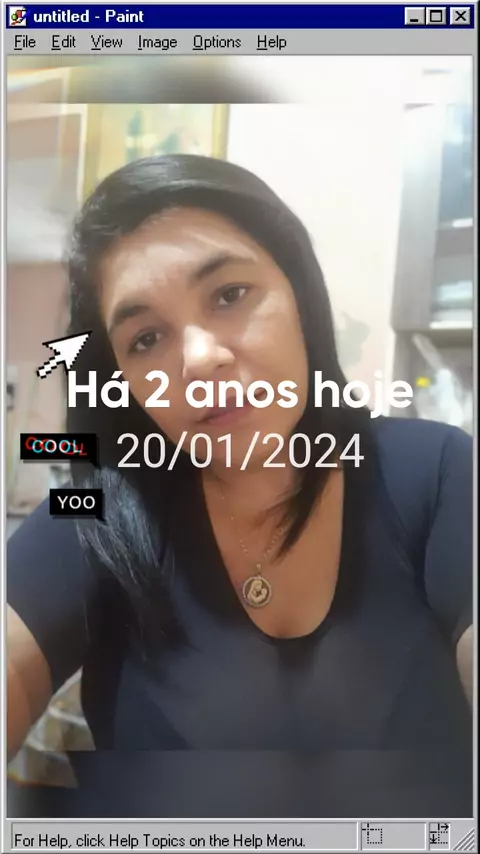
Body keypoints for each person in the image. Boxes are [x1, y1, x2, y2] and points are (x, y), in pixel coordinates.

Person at [7, 155, 473, 818]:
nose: (198, 360)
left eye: (229, 295)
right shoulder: (99, 513)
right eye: (146, 338)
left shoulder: (439, 471)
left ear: (299, 294)